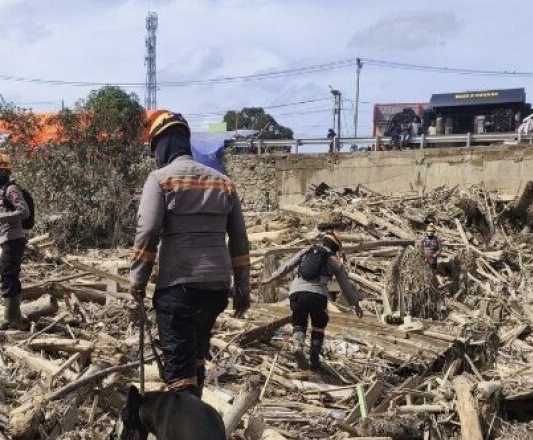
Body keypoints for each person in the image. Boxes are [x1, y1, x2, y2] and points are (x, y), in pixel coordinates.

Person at [130, 111, 251, 398]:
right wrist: (242, 287)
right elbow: (239, 240)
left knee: (178, 375)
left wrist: (138, 280)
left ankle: (184, 420)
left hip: (178, 288)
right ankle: (195, 411)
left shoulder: (160, 179)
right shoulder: (223, 183)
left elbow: (148, 231)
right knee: (195, 358)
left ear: (162, 145)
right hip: (216, 290)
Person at [263, 233, 363, 369]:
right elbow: (345, 285)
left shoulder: (306, 251)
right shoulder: (334, 260)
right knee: (318, 327)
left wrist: (271, 278)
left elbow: (287, 266)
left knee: (299, 324)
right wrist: (355, 304)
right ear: (336, 248)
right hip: (318, 296)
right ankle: (314, 359)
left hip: (297, 294)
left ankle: (298, 346)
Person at [0, 152, 30, 329]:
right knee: (10, 276)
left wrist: (2, 217)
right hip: (4, 239)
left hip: (13, 239)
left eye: (1, 171)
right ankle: (15, 317)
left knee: (8, 277)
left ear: (8, 172)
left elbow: (24, 211)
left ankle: (10, 319)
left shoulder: (11, 190)